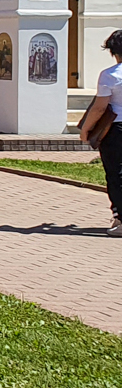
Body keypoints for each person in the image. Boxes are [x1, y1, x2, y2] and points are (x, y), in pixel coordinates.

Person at [78, 28, 122, 236]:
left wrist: (86, 128)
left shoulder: (110, 75)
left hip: (116, 129)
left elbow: (100, 107)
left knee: (116, 174)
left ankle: (120, 219)